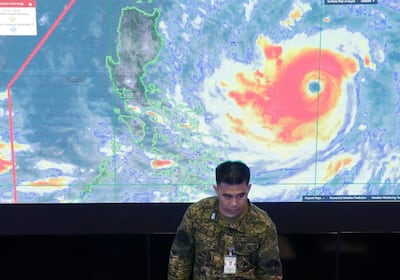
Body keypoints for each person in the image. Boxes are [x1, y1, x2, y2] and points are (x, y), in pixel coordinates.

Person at [168, 160, 283, 280]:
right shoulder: (197, 213)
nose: (234, 203)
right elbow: (180, 259)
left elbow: (270, 274)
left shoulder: (263, 224)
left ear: (249, 189)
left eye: (240, 195)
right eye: (227, 196)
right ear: (216, 189)